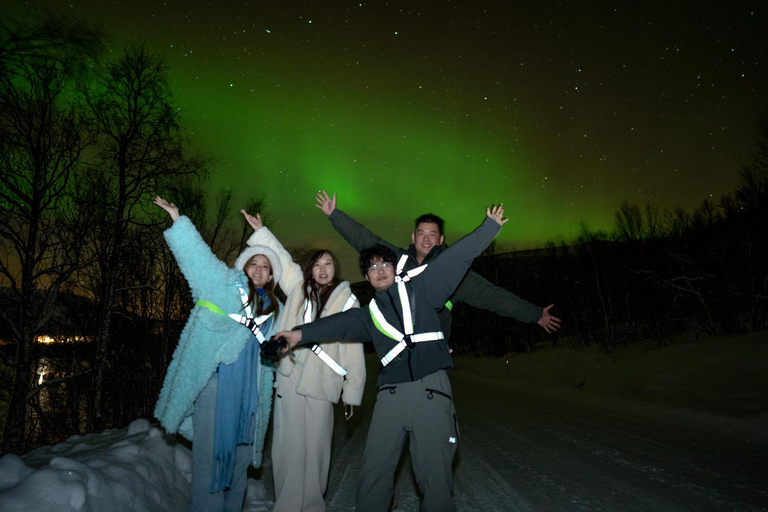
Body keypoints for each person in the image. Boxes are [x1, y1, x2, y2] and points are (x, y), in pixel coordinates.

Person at [270, 205, 507, 512]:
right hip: (390, 397)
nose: (380, 270)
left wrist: (488, 228)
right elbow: (337, 324)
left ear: (395, 269)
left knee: (435, 478)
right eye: (372, 267)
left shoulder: (425, 290)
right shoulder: (369, 315)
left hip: (430, 392)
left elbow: (454, 260)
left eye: (385, 264)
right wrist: (296, 334)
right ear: (367, 277)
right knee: (373, 475)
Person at [152, 196, 283, 512]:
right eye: (254, 262)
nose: (259, 269)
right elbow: (198, 259)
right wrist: (177, 220)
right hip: (215, 389)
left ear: (271, 276)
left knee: (239, 465)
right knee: (210, 464)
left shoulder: (276, 311)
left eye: (266, 266)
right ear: (244, 266)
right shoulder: (223, 285)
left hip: (250, 398)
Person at [240, 210, 366, 512]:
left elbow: (353, 348)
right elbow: (282, 262)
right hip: (291, 373)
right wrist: (262, 232)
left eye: (328, 263)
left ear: (335, 268)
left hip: (323, 380)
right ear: (310, 269)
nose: (322, 269)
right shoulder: (299, 288)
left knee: (317, 448)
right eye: (317, 264)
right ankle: (286, 504)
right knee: (288, 446)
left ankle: (312, 505)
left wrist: (352, 390)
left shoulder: (348, 301)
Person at [315, 190, 561, 337]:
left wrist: (534, 314)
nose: (426, 239)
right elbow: (367, 240)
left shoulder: (455, 276)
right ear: (413, 237)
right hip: (397, 347)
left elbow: (494, 297)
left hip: (432, 352)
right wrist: (335, 215)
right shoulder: (398, 260)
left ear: (441, 239)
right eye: (421, 233)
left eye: (433, 234)